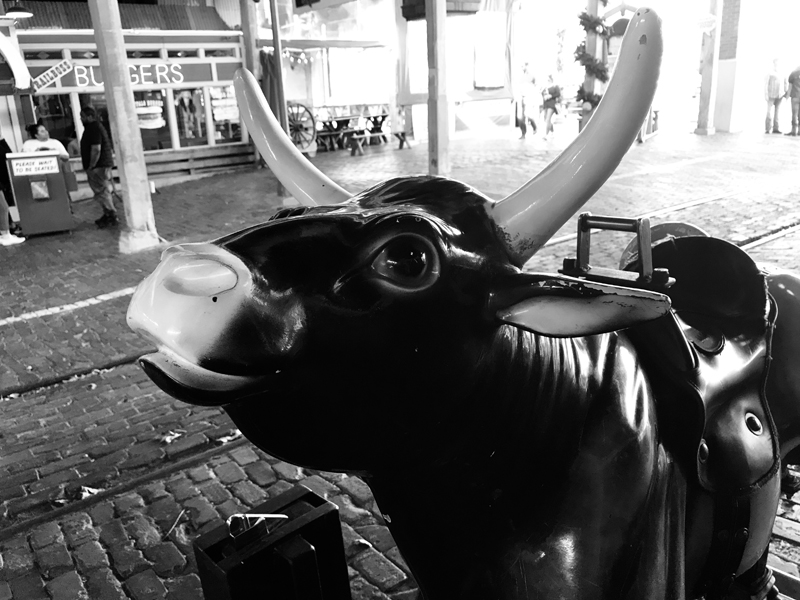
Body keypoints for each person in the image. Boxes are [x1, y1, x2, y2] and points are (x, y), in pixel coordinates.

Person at [80, 105, 118, 228]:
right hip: (101, 164)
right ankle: (108, 213)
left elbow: (96, 148)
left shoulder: (93, 128)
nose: (81, 119)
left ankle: (111, 214)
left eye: (83, 116)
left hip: (98, 165)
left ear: (90, 117)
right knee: (102, 190)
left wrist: (91, 165)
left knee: (101, 191)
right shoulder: (96, 127)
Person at [764, 60, 786, 134]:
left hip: (779, 96)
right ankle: (767, 128)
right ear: (773, 64)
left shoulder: (782, 73)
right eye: (776, 63)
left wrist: (785, 93)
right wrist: (766, 94)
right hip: (771, 95)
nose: (777, 65)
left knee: (777, 112)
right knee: (769, 112)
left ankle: (776, 129)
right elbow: (766, 84)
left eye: (778, 63)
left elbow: (785, 83)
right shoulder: (770, 73)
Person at [517, 68, 539, 139]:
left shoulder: (531, 77)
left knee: (528, 115)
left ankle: (534, 127)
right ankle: (523, 133)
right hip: (521, 99)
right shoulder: (520, 78)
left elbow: (536, 86)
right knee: (520, 118)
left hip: (528, 98)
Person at [541, 76, 562, 140]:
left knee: (548, 119)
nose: (548, 81)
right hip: (546, 104)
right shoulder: (545, 87)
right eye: (547, 80)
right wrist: (544, 95)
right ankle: (552, 131)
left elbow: (558, 94)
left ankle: (546, 135)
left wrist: (551, 96)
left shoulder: (555, 86)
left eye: (549, 79)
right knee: (547, 119)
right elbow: (542, 93)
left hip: (552, 104)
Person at [786, 64, 800, 137]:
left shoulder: (793, 73)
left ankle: (793, 131)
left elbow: (790, 87)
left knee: (794, 114)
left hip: (795, 96)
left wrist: (787, 96)